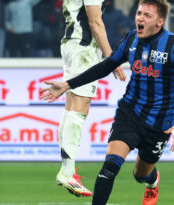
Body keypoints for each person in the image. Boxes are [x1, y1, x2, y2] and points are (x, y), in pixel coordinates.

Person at [40, 0, 174, 204]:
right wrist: (68, 84)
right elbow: (106, 66)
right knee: (109, 168)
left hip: (160, 124)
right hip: (130, 114)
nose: (140, 18)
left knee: (140, 175)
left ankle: (152, 181)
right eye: (139, 13)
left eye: (147, 16)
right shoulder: (132, 38)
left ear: (159, 22)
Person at [49, 0, 126, 198]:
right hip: (83, 48)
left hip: (71, 43)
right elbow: (95, 22)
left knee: (70, 106)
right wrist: (112, 58)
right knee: (79, 107)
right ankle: (67, 172)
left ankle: (67, 170)